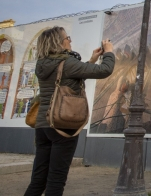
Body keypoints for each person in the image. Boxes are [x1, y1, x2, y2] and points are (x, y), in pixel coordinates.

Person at [24, 27, 115, 196]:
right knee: (56, 180)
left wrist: (91, 60)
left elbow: (69, 78)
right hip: (62, 125)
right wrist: (109, 53)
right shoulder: (67, 62)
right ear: (59, 42)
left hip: (43, 126)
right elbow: (105, 70)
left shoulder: (42, 64)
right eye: (67, 38)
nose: (70, 41)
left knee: (38, 180)